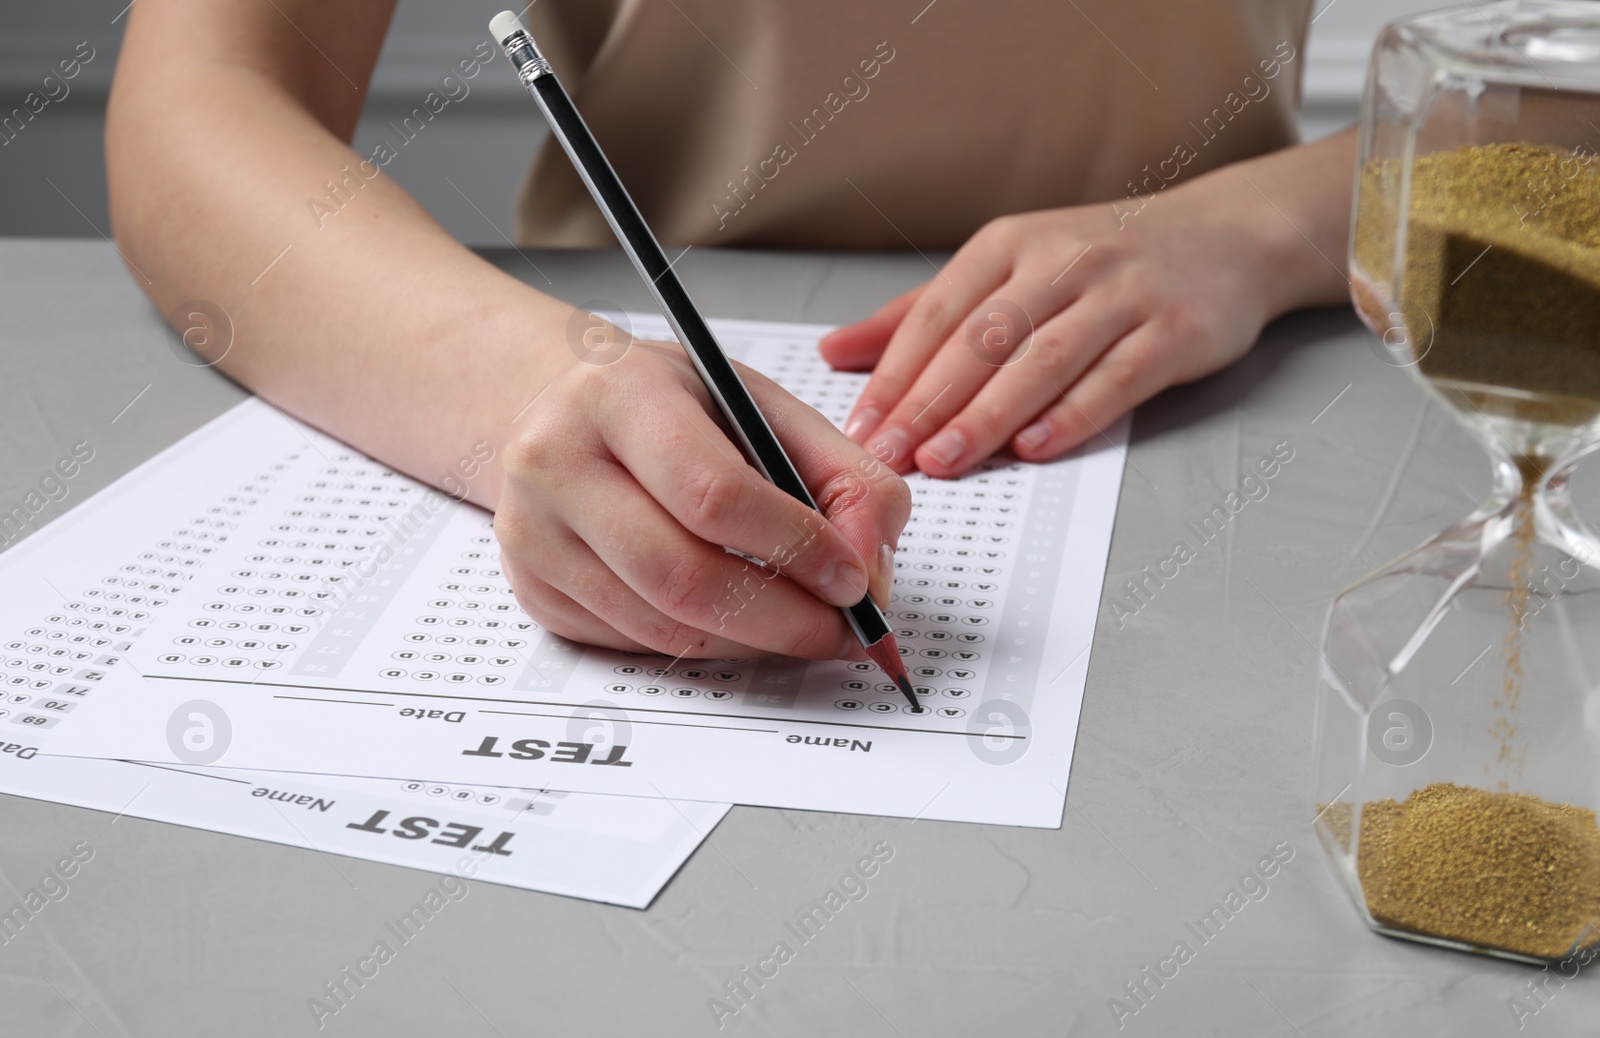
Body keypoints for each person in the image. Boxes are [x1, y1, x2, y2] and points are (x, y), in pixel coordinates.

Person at [106, 0, 1351, 663]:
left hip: (1270, 386)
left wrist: (1271, 224)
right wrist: (539, 382)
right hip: (603, 326)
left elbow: (1551, 98)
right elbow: (196, 101)